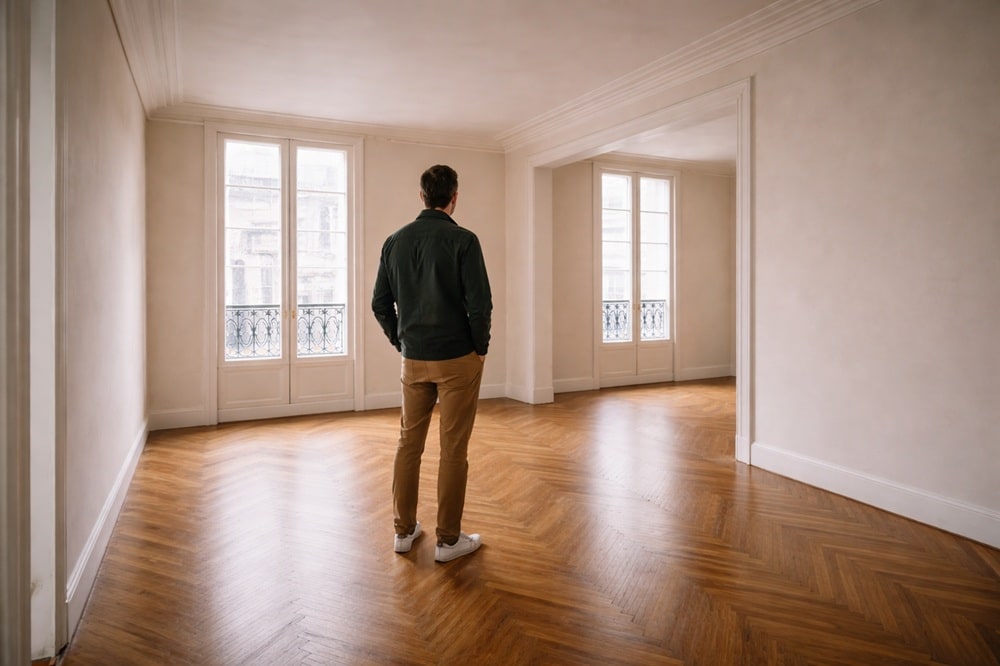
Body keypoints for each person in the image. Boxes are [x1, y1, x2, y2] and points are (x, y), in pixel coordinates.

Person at [372, 164, 492, 563]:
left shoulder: (394, 241)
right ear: (454, 197)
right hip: (458, 359)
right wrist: (481, 348)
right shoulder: (464, 240)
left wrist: (400, 340)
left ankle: (403, 533)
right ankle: (447, 541)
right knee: (453, 449)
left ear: (421, 196)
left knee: (408, 444)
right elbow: (480, 304)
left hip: (414, 358)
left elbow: (379, 304)